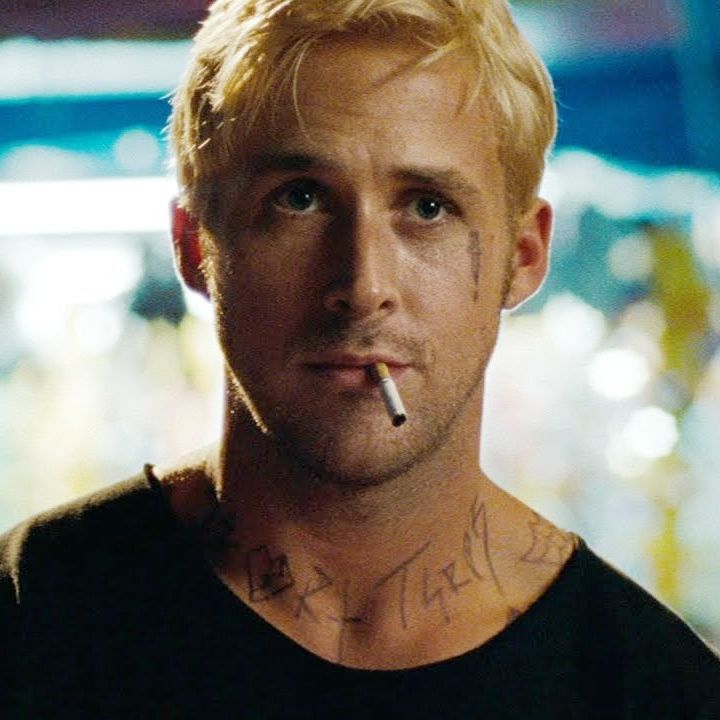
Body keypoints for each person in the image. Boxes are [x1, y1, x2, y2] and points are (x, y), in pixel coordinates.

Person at [1, 0, 719, 717]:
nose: (364, 285)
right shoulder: (34, 612)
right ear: (195, 246)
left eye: (428, 207)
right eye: (300, 199)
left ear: (524, 255)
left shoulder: (654, 691)